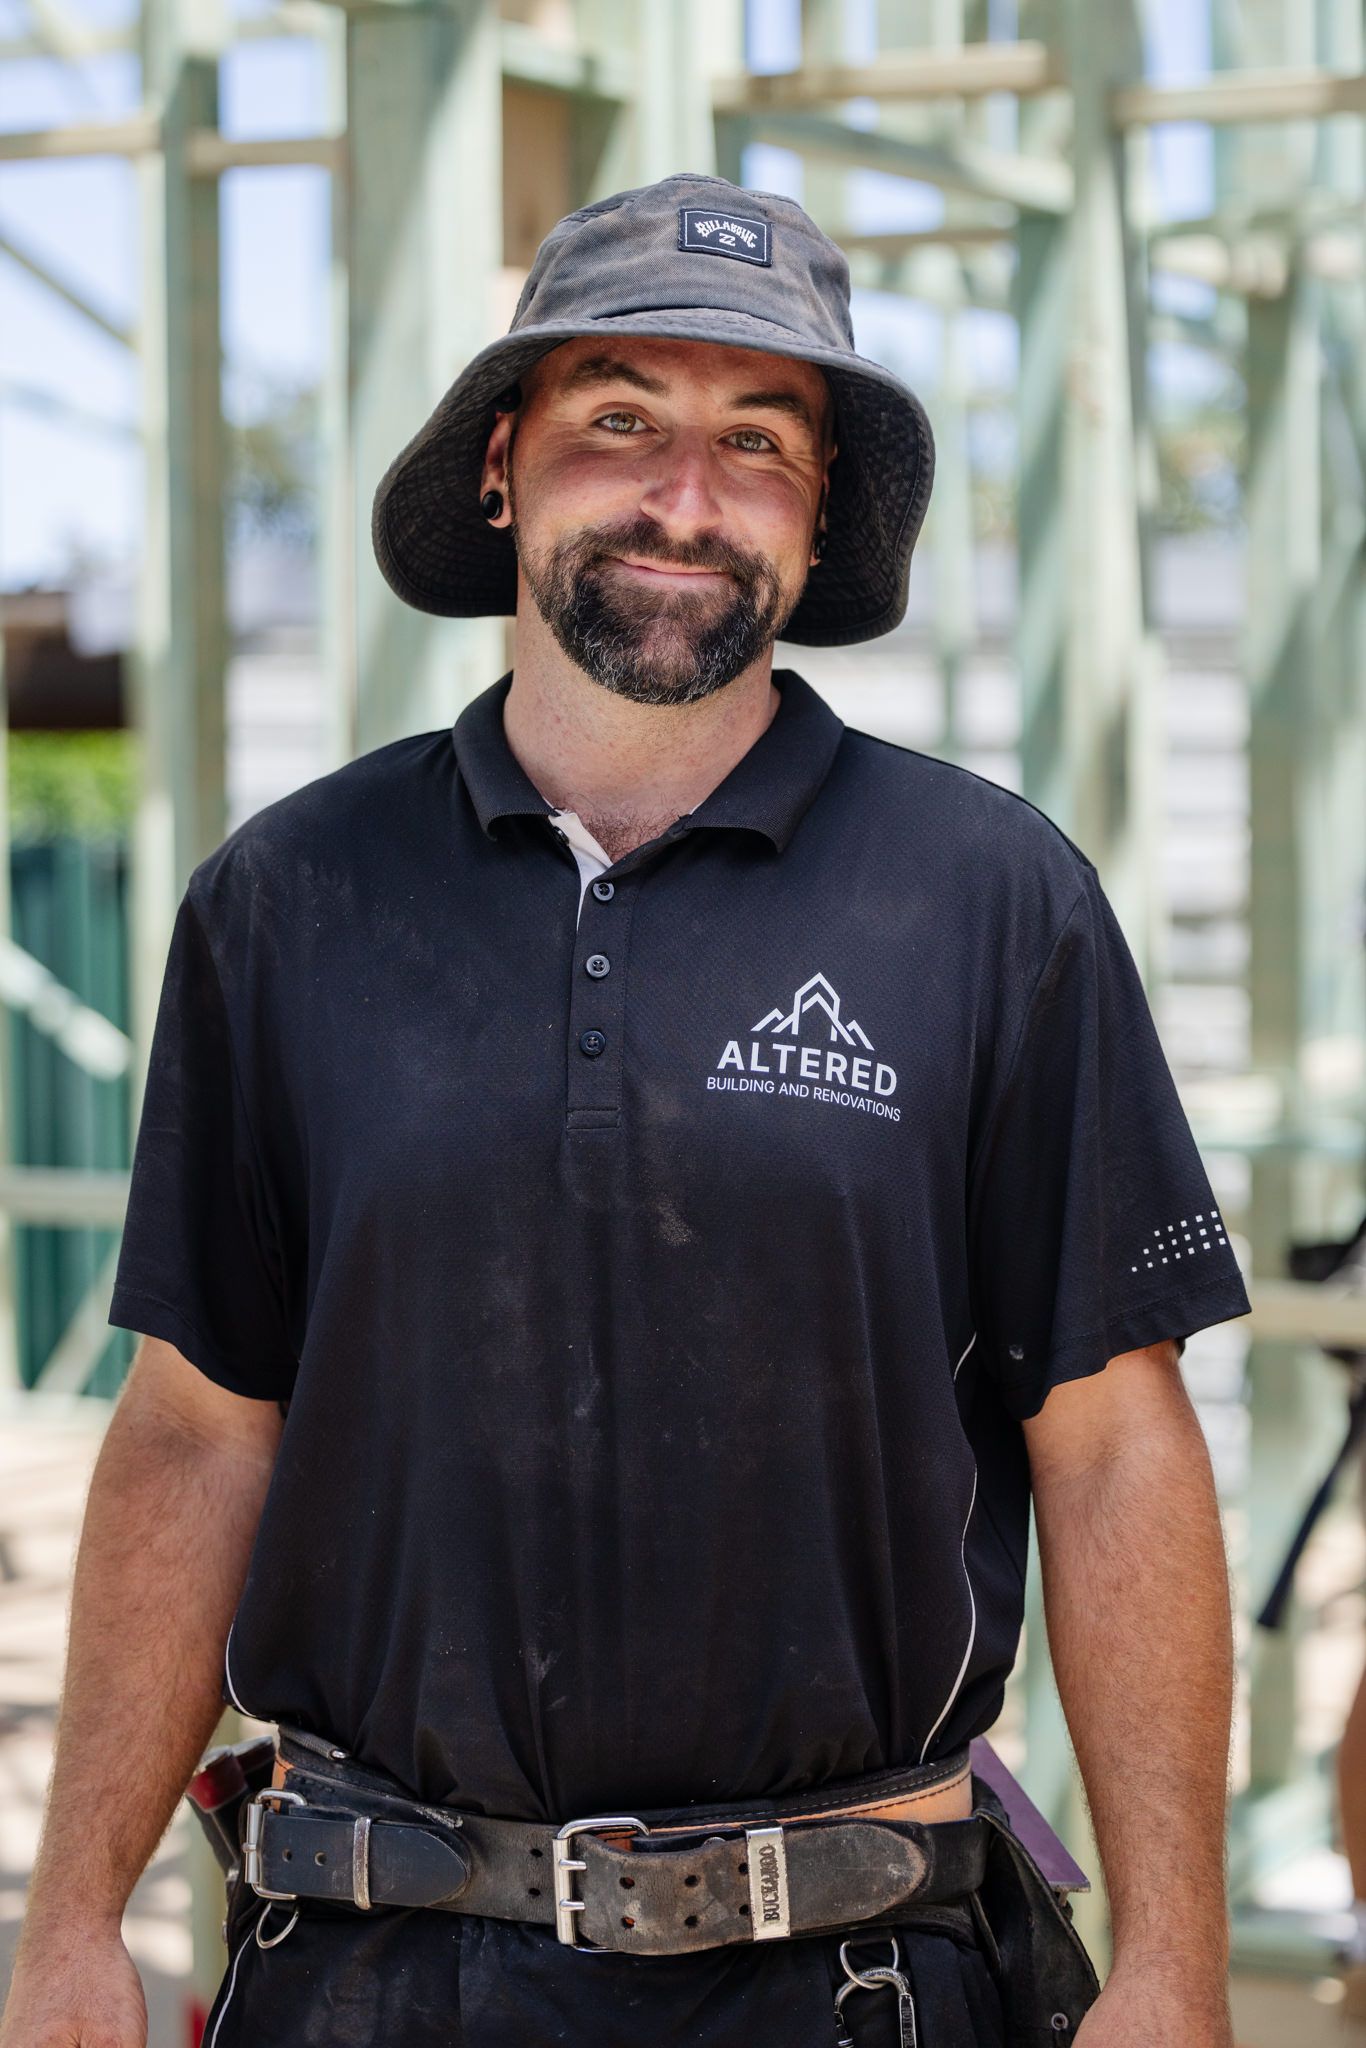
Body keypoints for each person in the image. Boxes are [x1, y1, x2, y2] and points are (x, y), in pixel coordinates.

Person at [1, 173, 1252, 2048]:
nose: (684, 496)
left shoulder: (990, 902)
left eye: (758, 441)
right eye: (617, 418)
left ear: (819, 511)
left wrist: (1172, 1965)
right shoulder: (289, 902)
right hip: (368, 1973)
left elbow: (1114, 1446)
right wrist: (72, 1917)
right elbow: (194, 1433)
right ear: (503, 466)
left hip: (856, 1984)